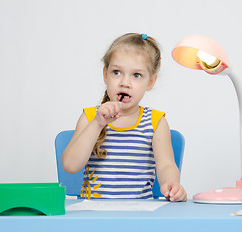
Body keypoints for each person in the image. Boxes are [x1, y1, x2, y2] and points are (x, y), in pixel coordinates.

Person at [63, 33, 187, 201]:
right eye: (116, 72)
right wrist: (98, 123)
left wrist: (172, 184)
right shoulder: (90, 117)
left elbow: (166, 165)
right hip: (94, 216)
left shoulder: (155, 122)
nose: (125, 82)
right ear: (105, 74)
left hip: (139, 216)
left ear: (150, 82)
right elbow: (70, 165)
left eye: (136, 75)